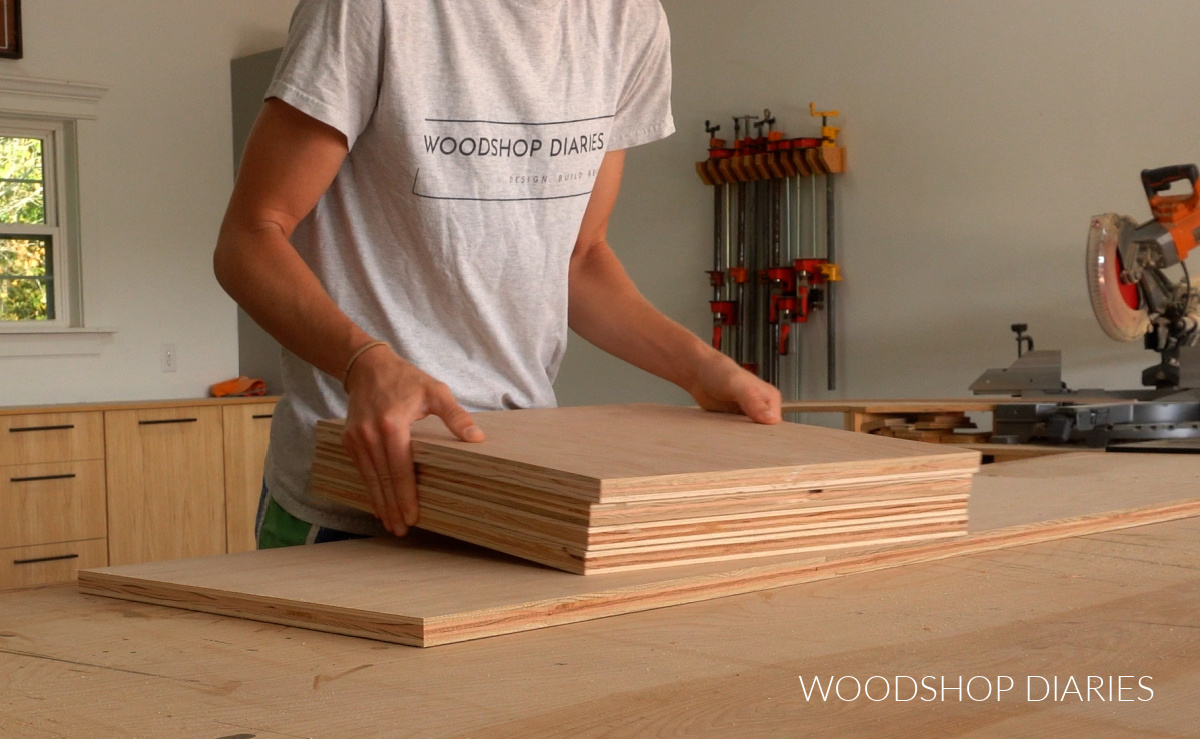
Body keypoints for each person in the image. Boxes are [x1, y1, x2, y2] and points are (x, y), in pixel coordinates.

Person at [213, 0, 782, 548]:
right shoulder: (373, 9)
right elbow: (251, 238)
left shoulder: (628, 19)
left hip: (510, 484)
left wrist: (701, 367)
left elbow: (579, 258)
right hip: (353, 488)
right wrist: (364, 364)